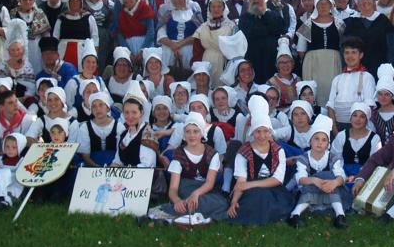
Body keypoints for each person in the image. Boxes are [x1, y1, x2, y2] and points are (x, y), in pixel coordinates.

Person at [149, 113, 230, 221]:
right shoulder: (179, 154)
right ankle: (195, 213)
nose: (192, 135)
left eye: (195, 131)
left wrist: (196, 194)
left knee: (222, 203)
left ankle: (169, 212)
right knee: (199, 202)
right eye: (188, 132)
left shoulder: (211, 153)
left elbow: (209, 183)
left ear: (202, 133)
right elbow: (173, 188)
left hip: (204, 190)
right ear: (184, 134)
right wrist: (177, 200)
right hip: (186, 188)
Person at [227, 96, 294, 224]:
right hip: (251, 190)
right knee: (257, 197)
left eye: (265, 131)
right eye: (258, 132)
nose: (262, 136)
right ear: (252, 132)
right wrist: (234, 201)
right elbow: (241, 182)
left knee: (266, 197)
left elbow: (277, 179)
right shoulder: (243, 152)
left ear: (270, 132)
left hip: (271, 188)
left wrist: (251, 184)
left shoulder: (278, 151)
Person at [288, 114, 349, 228]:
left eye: (324, 140)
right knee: (317, 180)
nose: (320, 143)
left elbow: (341, 175)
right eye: (316, 139)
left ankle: (340, 215)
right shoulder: (304, 158)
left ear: (327, 144)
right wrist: (315, 180)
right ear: (310, 141)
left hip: (329, 191)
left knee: (329, 177)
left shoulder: (333, 158)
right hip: (310, 192)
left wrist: (334, 183)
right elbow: (301, 178)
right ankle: (295, 214)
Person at [296, 0, 343, 105]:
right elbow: (301, 49)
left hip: (333, 62)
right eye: (320, 3)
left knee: (332, 91)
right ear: (315, 5)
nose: (323, 6)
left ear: (331, 5)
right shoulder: (308, 24)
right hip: (313, 64)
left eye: (326, 3)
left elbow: (344, 44)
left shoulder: (339, 23)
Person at [326, 37, 376, 129]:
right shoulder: (337, 79)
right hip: (338, 126)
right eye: (347, 53)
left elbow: (369, 108)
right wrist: (335, 132)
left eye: (354, 52)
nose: (350, 56)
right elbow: (331, 107)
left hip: (359, 127)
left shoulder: (367, 77)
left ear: (360, 55)